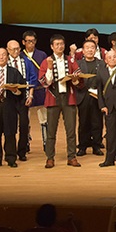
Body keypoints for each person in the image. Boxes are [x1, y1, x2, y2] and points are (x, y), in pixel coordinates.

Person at [38, 34, 82, 169]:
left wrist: (75, 79)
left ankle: (71, 157)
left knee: (71, 130)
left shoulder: (70, 60)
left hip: (68, 98)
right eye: (56, 44)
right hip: (53, 98)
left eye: (61, 44)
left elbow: (78, 78)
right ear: (52, 46)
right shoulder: (46, 61)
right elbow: (45, 82)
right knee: (51, 131)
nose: (59, 47)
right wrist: (50, 68)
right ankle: (50, 158)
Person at [5, 39, 37, 161]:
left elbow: (33, 79)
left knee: (24, 125)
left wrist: (30, 96)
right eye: (13, 49)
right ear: (8, 50)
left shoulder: (26, 62)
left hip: (23, 97)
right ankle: (9, 151)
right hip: (9, 98)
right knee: (9, 126)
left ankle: (22, 151)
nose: (16, 51)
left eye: (17, 48)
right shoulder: (5, 62)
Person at [73, 39, 104, 157]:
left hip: (97, 97)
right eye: (87, 48)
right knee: (83, 122)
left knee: (97, 122)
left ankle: (97, 146)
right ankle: (82, 146)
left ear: (95, 50)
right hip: (83, 96)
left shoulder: (101, 63)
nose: (90, 50)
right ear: (83, 50)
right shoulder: (78, 64)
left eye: (92, 47)